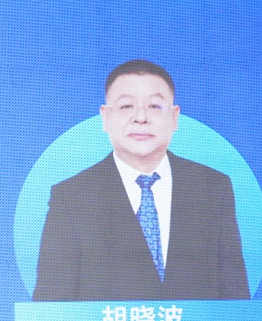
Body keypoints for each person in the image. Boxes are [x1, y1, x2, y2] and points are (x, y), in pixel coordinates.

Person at [33, 59, 249, 301]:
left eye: (155, 106)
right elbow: (51, 307)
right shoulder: (73, 197)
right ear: (105, 117)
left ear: (174, 117)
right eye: (126, 106)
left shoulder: (212, 188)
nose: (141, 117)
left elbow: (236, 298)